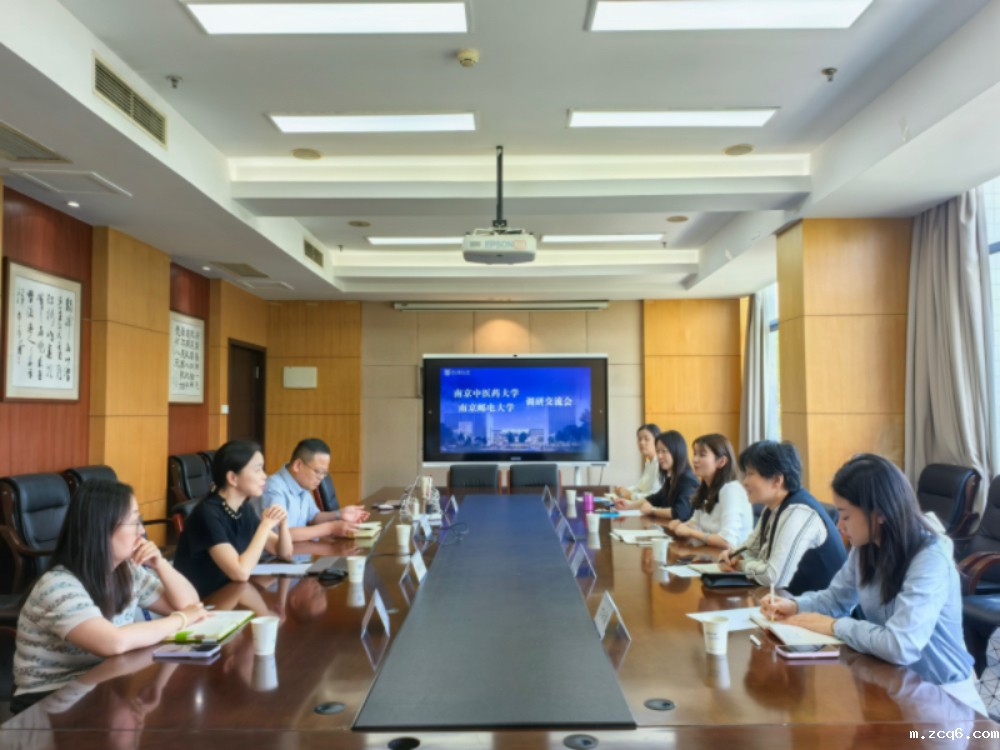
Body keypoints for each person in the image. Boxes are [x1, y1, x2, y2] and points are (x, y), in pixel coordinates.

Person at [761, 454, 986, 713]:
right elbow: (836, 599)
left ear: (879, 513)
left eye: (845, 516)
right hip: (892, 682)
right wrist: (794, 605)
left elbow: (901, 646)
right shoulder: (866, 548)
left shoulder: (929, 558)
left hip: (943, 697)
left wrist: (835, 626)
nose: (839, 526)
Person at [12, 479, 207, 714]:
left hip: (100, 685)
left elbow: (190, 604)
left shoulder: (127, 571)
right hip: (49, 700)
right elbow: (114, 642)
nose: (142, 531)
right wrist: (181, 619)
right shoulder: (58, 586)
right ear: (101, 528)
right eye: (134, 522)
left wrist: (160, 564)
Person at [720, 440, 846, 593]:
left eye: (750, 474)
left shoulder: (798, 511)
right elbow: (751, 548)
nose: (744, 482)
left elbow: (773, 577)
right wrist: (734, 555)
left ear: (777, 480)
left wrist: (742, 565)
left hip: (821, 606)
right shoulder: (772, 508)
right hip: (789, 600)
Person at [174, 440, 294, 597]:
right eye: (257, 470)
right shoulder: (207, 514)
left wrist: (283, 525)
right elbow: (240, 573)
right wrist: (264, 526)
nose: (264, 476)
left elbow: (284, 554)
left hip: (232, 593)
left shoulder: (243, 508)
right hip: (203, 601)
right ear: (232, 478)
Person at [260, 438, 369, 541]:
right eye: (318, 472)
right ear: (298, 465)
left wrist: (339, 514)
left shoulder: (301, 483)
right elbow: (279, 534)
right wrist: (331, 528)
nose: (321, 478)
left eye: (324, 473)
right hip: (278, 555)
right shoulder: (273, 488)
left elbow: (313, 517)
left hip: (300, 550)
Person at [668, 433, 752, 549]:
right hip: (710, 554)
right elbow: (696, 523)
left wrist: (691, 532)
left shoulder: (731, 490)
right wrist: (681, 525)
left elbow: (727, 541)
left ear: (721, 461)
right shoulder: (706, 488)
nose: (695, 460)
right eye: (695, 454)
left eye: (702, 455)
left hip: (731, 558)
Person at [616, 430, 697, 522]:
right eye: (658, 451)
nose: (659, 456)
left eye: (664, 451)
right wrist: (628, 506)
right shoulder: (672, 478)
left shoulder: (688, 481)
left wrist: (652, 511)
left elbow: (680, 513)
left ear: (677, 452)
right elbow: (655, 498)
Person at [613, 423, 662, 502]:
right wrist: (622, 490)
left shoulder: (660, 464)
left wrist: (630, 495)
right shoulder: (649, 463)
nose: (641, 442)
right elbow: (640, 487)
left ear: (657, 441)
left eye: (646, 439)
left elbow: (655, 495)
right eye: (639, 439)